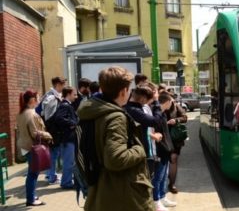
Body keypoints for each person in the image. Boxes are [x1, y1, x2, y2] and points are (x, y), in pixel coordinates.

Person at [77, 66, 154, 211]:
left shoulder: (93, 111)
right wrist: (139, 150)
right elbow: (115, 159)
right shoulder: (115, 117)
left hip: (101, 190)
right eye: (129, 89)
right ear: (123, 91)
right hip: (121, 193)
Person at [16, 90, 53, 206]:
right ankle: (31, 199)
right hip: (32, 147)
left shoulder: (21, 113)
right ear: (32, 100)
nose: (39, 99)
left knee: (32, 172)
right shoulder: (32, 114)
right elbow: (35, 133)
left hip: (25, 146)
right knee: (33, 174)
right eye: (37, 97)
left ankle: (31, 196)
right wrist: (48, 135)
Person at [124, 84, 163, 176]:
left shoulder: (129, 107)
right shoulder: (134, 110)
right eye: (149, 101)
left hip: (138, 150)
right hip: (139, 152)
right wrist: (157, 102)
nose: (148, 104)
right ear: (143, 99)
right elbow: (155, 121)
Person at [152, 92, 176, 211]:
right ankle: (156, 202)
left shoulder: (162, 114)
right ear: (167, 102)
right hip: (160, 150)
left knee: (164, 176)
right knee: (158, 177)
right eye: (171, 101)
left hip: (166, 150)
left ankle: (162, 197)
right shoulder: (156, 114)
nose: (172, 103)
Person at [53, 86, 79, 189]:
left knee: (69, 161)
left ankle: (67, 181)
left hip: (68, 138)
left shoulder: (66, 105)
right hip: (68, 138)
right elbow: (59, 118)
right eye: (74, 94)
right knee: (69, 162)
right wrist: (73, 123)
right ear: (68, 94)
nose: (76, 97)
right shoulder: (65, 105)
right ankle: (66, 183)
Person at [42, 76, 66, 184]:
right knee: (53, 154)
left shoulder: (50, 95)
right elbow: (49, 117)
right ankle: (51, 177)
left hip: (52, 130)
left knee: (53, 154)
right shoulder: (52, 97)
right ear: (57, 85)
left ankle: (49, 175)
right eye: (62, 84)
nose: (63, 87)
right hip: (53, 130)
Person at [164, 98, 187, 194]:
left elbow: (184, 117)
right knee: (164, 160)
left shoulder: (176, 106)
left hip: (175, 138)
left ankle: (172, 183)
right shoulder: (158, 107)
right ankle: (165, 181)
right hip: (163, 138)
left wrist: (175, 120)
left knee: (173, 158)